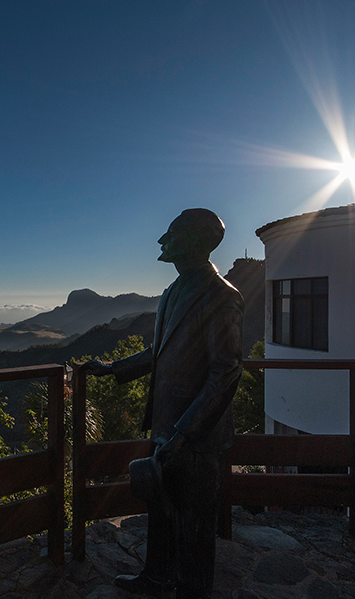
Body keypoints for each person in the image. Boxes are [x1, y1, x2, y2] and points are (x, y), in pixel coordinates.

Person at [83, 208, 244, 599]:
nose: (161, 241)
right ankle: (157, 576)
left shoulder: (222, 297)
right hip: (167, 426)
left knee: (194, 523)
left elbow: (226, 372)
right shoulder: (175, 290)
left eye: (170, 234)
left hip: (196, 435)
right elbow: (160, 352)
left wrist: (185, 433)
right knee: (161, 508)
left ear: (190, 242)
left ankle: (192, 591)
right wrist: (111, 368)